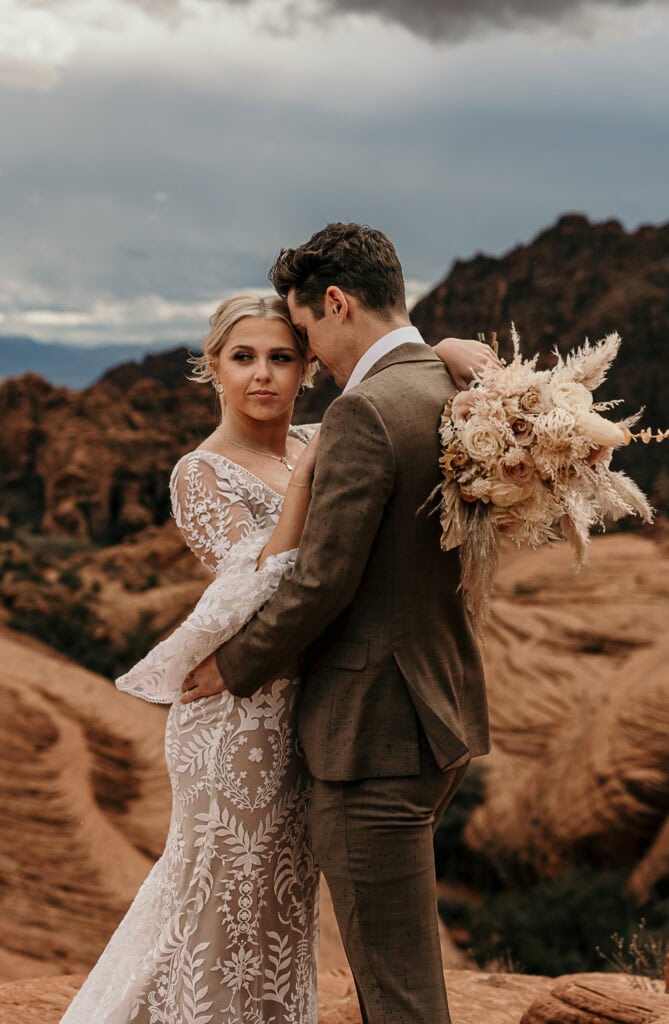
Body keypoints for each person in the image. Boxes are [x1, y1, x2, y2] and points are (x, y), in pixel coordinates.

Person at [182, 223, 495, 1024]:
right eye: (249, 356)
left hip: (368, 735)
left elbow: (320, 580)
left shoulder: (360, 413)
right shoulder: (441, 386)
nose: (306, 358)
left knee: (397, 994)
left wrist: (230, 666)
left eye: (300, 338)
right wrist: (450, 347)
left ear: (333, 301)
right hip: (432, 711)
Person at [59, 294, 322, 1024]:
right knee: (216, 909)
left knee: (278, 914)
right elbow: (252, 590)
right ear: (212, 369)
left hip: (302, 716)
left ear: (307, 366)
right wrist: (305, 485)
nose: (262, 375)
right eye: (243, 358)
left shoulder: (314, 441)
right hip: (234, 729)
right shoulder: (199, 473)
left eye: (280, 357)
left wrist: (452, 353)